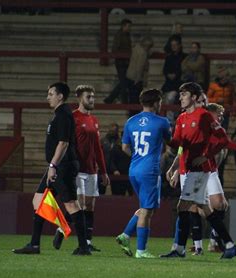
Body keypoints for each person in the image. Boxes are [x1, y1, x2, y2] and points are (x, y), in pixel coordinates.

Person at [160, 82, 236, 259]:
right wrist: (165, 136)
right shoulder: (181, 118)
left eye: (184, 94)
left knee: (183, 206)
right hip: (187, 168)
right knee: (204, 209)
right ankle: (229, 244)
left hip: (199, 170)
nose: (180, 97)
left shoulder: (204, 116)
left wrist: (206, 155)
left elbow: (222, 138)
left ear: (195, 97)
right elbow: (177, 144)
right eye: (180, 94)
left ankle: (179, 249)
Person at [13, 82, 90, 255]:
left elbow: (63, 143)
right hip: (56, 167)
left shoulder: (63, 114)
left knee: (72, 206)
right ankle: (34, 244)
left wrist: (53, 166)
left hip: (63, 167)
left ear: (60, 96)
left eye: (51, 94)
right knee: (38, 201)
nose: (48, 97)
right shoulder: (58, 114)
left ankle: (83, 247)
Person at [52, 85, 110, 252]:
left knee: (90, 206)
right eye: (88, 97)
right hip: (78, 169)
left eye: (93, 97)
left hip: (92, 169)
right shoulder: (73, 118)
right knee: (81, 204)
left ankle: (88, 242)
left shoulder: (94, 120)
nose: (92, 100)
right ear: (79, 98)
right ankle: (63, 230)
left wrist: (104, 171)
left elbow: (98, 148)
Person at [116, 89, 172, 259]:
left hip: (134, 169)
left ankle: (125, 235)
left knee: (147, 207)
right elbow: (171, 142)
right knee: (147, 210)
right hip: (150, 170)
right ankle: (141, 250)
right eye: (160, 101)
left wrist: (138, 156)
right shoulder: (162, 122)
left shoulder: (130, 121)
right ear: (156, 102)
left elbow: (124, 147)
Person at [104, 18, 132, 104]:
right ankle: (122, 100)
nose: (129, 28)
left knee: (124, 82)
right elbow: (115, 48)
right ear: (123, 26)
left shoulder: (126, 35)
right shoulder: (119, 35)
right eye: (128, 26)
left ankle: (110, 99)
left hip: (125, 61)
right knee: (123, 82)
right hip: (121, 62)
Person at [126, 36, 154, 107]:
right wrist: (138, 79)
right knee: (135, 100)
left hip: (129, 75)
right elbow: (140, 67)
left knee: (131, 98)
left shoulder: (136, 48)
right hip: (136, 79)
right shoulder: (143, 53)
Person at [161, 39, 187, 105]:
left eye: (175, 45)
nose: (173, 47)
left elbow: (184, 69)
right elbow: (165, 69)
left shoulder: (184, 57)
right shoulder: (169, 57)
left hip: (179, 83)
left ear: (179, 45)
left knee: (171, 98)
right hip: (168, 84)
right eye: (172, 45)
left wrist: (176, 74)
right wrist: (168, 74)